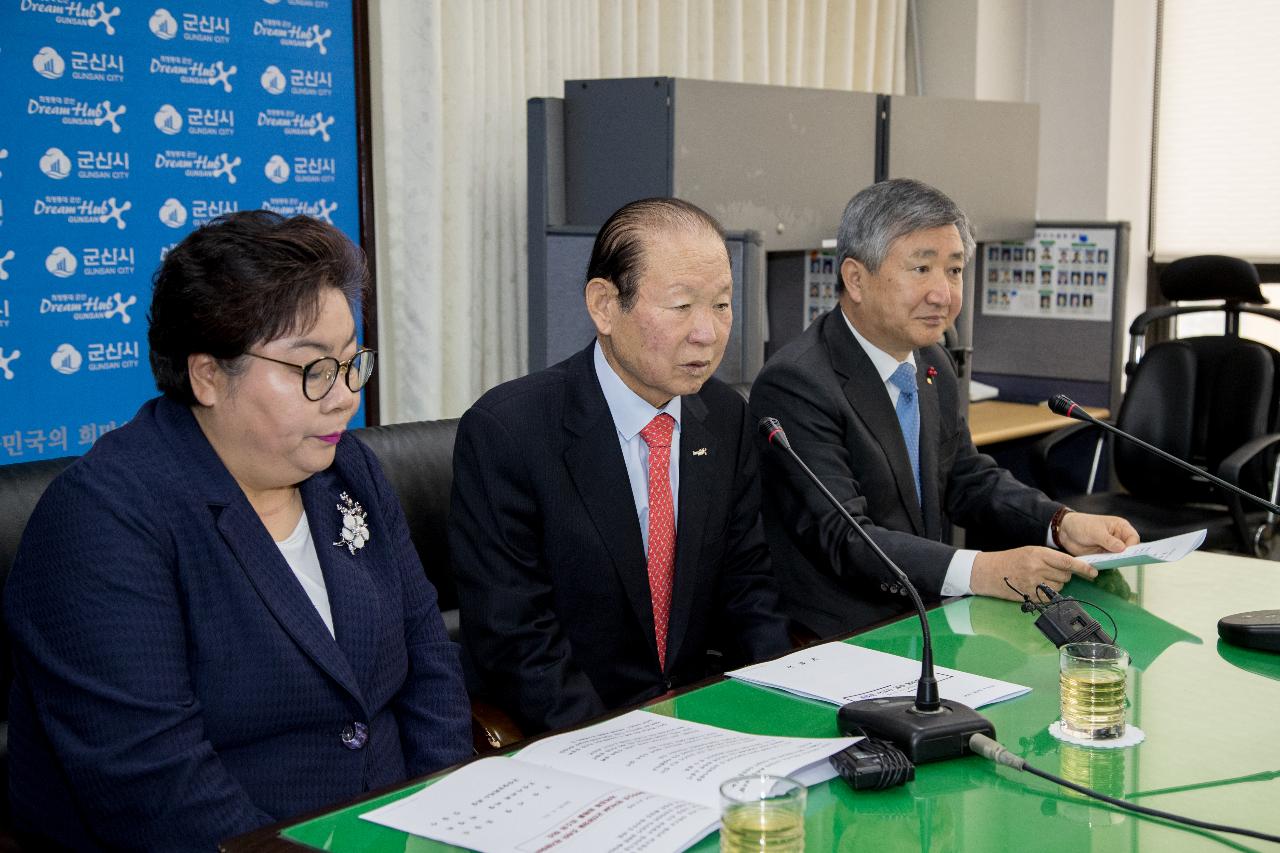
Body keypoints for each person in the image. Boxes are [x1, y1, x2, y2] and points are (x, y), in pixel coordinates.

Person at [5, 211, 472, 850]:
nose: (343, 398)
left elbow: (429, 662)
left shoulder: (346, 468)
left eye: (349, 363)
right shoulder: (103, 521)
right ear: (206, 376)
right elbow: (157, 790)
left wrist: (444, 818)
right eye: (311, 369)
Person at [450, 197, 791, 735]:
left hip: (698, 726)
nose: (708, 332)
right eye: (682, 306)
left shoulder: (726, 418)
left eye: (722, 305)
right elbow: (517, 638)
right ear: (605, 305)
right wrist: (618, 744)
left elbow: (748, 589)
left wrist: (782, 710)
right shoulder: (510, 432)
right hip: (572, 734)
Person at [750, 179, 1138, 638]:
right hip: (840, 634)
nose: (943, 294)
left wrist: (1060, 523)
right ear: (855, 278)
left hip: (930, 618)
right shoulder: (797, 382)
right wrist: (983, 571)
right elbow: (845, 535)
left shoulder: (931, 360)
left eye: (953, 271)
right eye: (921, 269)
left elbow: (965, 479)